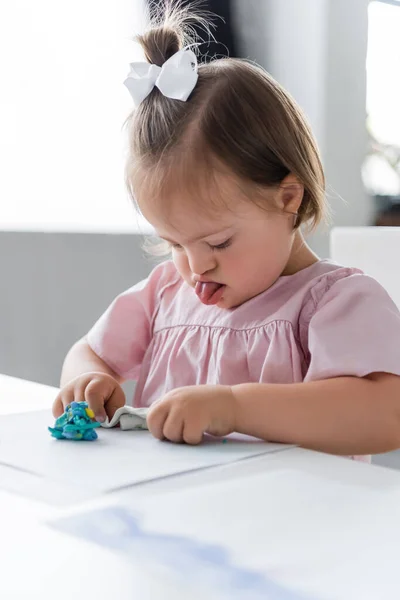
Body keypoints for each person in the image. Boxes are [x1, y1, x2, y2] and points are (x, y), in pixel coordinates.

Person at [53, 3, 400, 460]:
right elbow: (88, 353)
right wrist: (86, 380)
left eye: (217, 242)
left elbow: (385, 414)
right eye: (174, 243)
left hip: (300, 523)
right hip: (182, 515)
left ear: (287, 199)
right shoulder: (164, 295)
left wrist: (234, 406)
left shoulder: (332, 303)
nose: (196, 266)